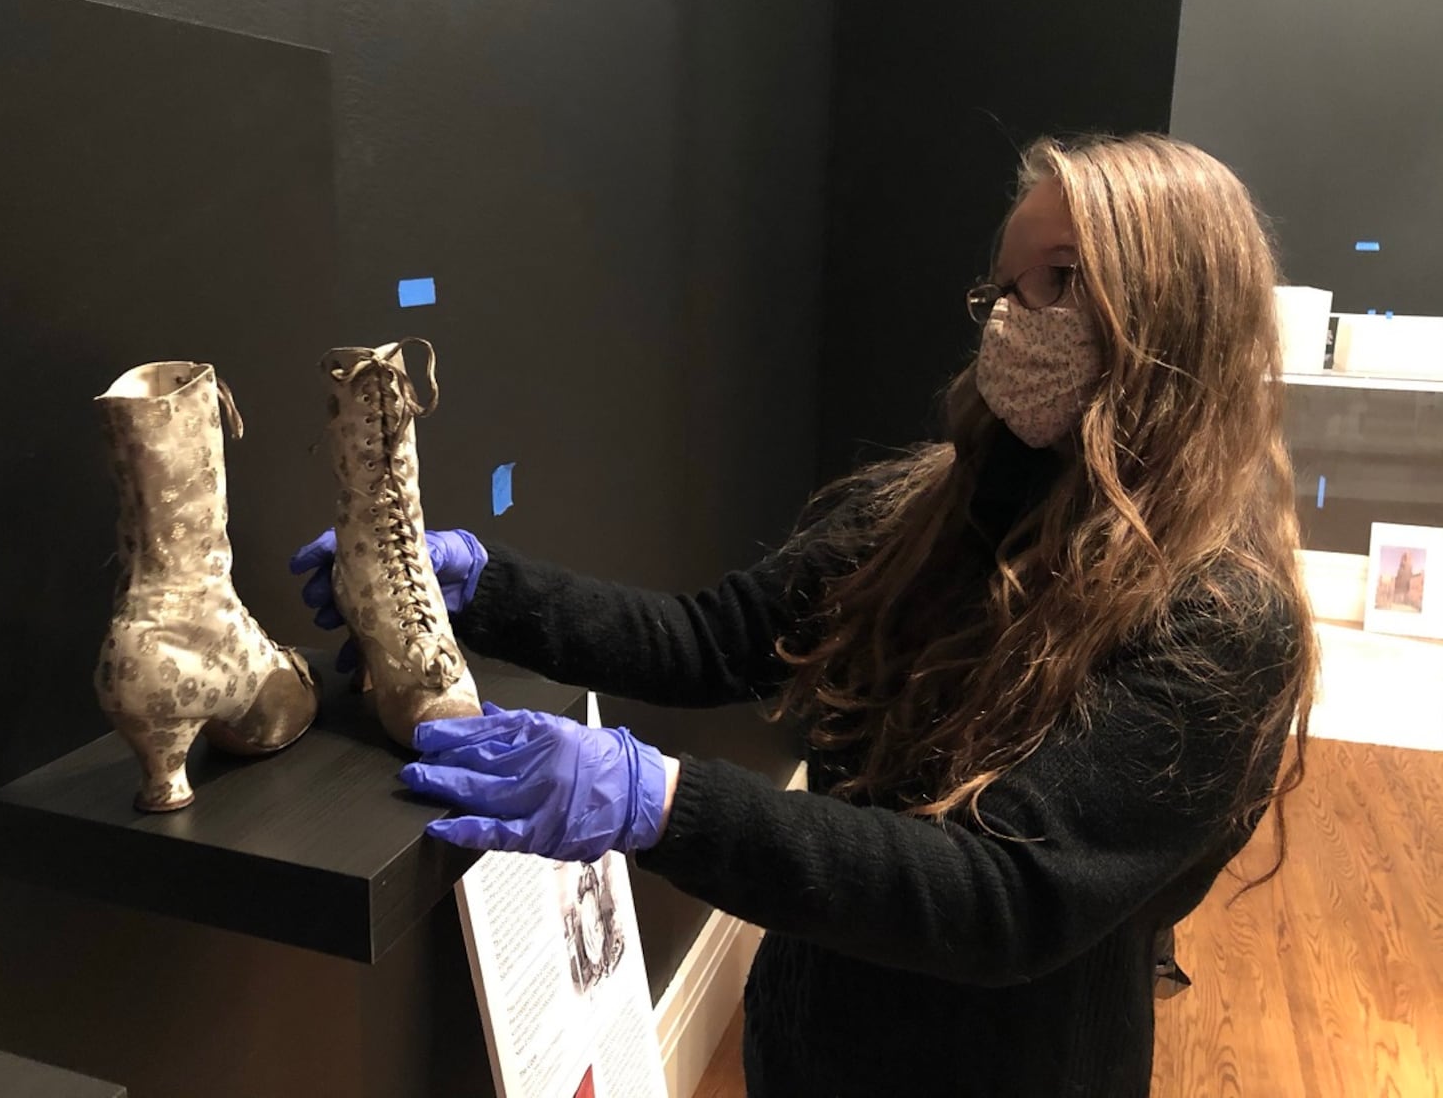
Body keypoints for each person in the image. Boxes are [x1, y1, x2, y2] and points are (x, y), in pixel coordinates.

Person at [291, 133, 1317, 1096]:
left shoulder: (1219, 621)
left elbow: (1003, 894)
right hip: (813, 1033)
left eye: (1058, 278)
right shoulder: (924, 509)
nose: (1010, 318)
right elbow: (714, 640)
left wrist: (662, 804)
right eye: (1001, 287)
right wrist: (487, 589)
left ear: (1171, 311)